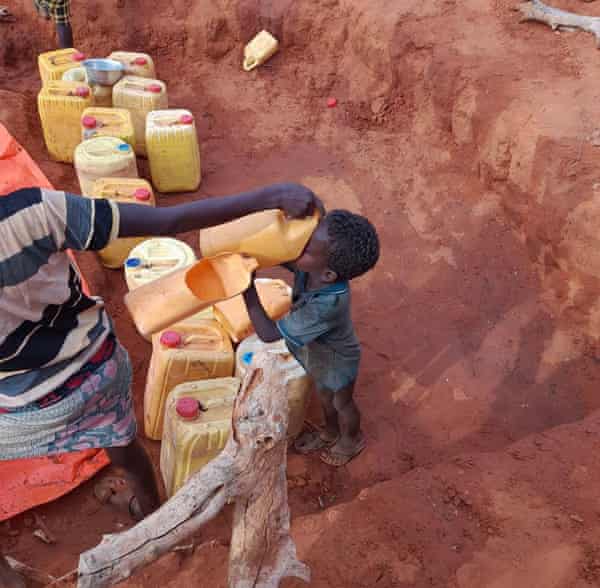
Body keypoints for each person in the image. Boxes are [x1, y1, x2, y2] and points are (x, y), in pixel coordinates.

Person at [0, 183, 321, 588]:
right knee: (120, 437)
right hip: (95, 367)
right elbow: (168, 220)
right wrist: (267, 196)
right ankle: (150, 512)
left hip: (19, 408)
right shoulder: (31, 212)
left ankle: (8, 580)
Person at [242, 209, 380, 467]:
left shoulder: (329, 303)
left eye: (306, 247)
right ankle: (329, 432)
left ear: (328, 274)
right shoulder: (316, 267)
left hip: (338, 362)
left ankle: (352, 438)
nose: (299, 247)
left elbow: (269, 333)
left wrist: (246, 288)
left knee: (342, 402)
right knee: (324, 396)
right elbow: (290, 258)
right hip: (316, 355)